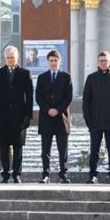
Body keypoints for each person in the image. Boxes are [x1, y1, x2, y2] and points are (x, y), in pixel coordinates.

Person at [0, 46, 33, 183]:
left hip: (19, 116)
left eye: (12, 57)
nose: (10, 60)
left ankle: (16, 174)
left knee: (18, 146)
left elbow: (29, 96)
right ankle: (5, 174)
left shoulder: (25, 73)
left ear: (17, 58)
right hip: (2, 116)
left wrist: (28, 116)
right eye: (8, 58)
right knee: (3, 146)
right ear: (5, 59)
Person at [82, 51, 110, 184]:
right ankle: (93, 175)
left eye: (105, 61)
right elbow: (86, 101)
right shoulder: (91, 78)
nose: (103, 63)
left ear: (109, 62)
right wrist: (88, 120)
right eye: (101, 60)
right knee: (94, 150)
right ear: (97, 62)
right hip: (95, 121)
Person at [35, 50, 73, 184]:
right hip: (46, 118)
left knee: (63, 149)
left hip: (61, 118)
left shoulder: (66, 77)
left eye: (55, 60)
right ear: (48, 62)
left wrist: (57, 109)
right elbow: (38, 97)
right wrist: (48, 109)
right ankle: (45, 174)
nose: (53, 63)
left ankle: (63, 174)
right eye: (51, 60)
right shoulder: (42, 77)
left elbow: (69, 97)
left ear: (59, 61)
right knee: (45, 149)